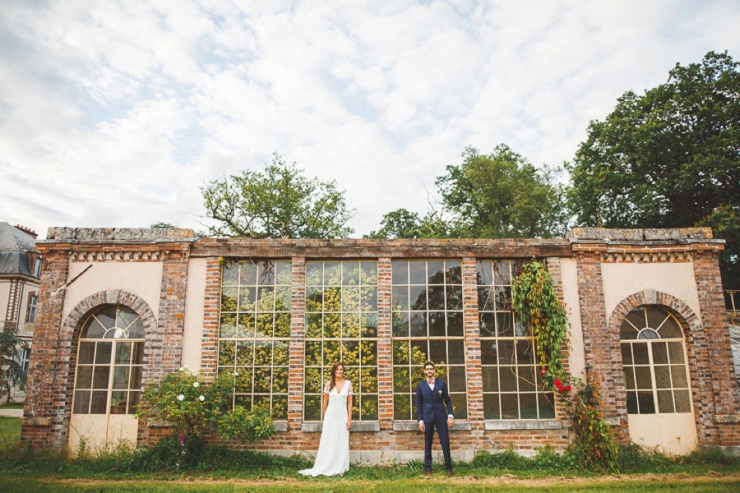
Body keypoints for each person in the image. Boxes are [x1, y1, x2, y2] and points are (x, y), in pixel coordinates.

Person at [299, 361, 353, 477]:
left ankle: (340, 466)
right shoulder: (329, 384)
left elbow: (349, 403)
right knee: (329, 440)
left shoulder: (348, 384)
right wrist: (325, 418)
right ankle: (326, 465)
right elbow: (325, 403)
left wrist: (349, 419)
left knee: (341, 440)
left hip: (342, 416)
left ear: (343, 371)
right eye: (337, 369)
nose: (339, 372)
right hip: (331, 416)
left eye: (341, 369)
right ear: (334, 371)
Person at [415, 361, 454, 477]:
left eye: (431, 369)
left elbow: (447, 400)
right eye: (427, 369)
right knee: (428, 442)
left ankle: (449, 468)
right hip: (427, 417)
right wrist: (420, 420)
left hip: (441, 417)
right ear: (424, 371)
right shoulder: (420, 386)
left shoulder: (441, 384)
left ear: (434, 370)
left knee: (445, 442)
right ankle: (428, 468)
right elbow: (418, 404)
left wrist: (450, 416)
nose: (429, 371)